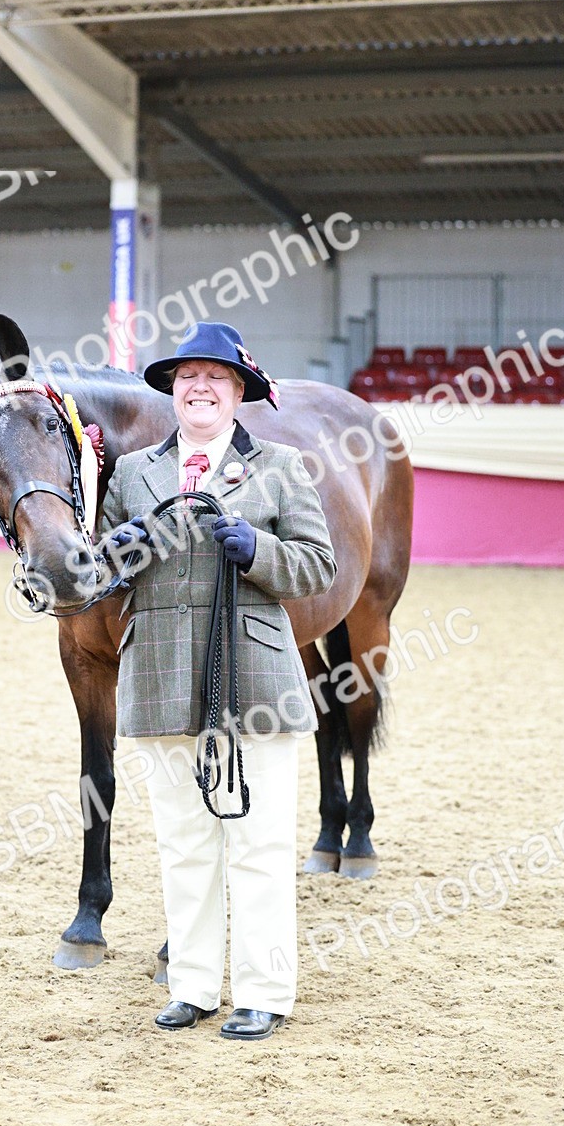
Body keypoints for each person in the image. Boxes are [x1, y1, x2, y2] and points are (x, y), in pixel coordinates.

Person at [100, 321, 336, 1041]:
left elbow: (318, 566)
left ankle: (264, 992)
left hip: (254, 676)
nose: (199, 386)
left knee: (260, 846)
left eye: (216, 376)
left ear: (239, 392)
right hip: (163, 673)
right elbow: (100, 574)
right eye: (188, 375)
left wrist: (258, 548)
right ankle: (194, 985)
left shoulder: (281, 466)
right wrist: (123, 550)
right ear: (174, 389)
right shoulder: (133, 472)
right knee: (184, 843)